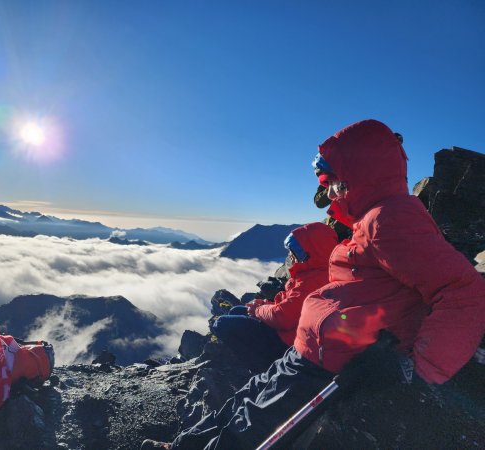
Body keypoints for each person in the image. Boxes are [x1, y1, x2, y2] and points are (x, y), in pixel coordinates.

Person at [141, 119, 485, 450]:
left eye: (337, 182)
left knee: (253, 426)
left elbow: (464, 291)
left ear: (361, 174)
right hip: (309, 351)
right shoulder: (371, 220)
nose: (332, 192)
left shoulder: (389, 219)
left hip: (327, 365)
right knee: (244, 403)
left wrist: (412, 368)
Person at [211, 223, 337, 372]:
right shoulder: (311, 274)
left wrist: (259, 310)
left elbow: (284, 317)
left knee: (222, 324)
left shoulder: (314, 281)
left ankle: (261, 369)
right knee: (237, 310)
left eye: (297, 251)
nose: (292, 255)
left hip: (285, 341)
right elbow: (290, 306)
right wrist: (266, 304)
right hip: (287, 331)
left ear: (314, 252)